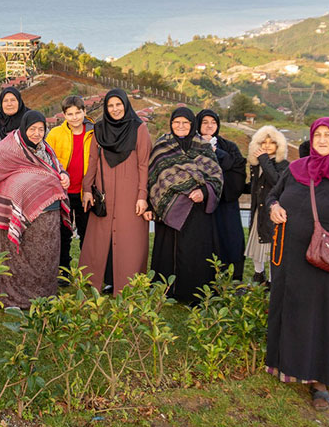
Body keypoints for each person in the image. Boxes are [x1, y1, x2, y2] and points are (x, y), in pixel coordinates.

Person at [265, 118, 329, 411]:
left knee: (321, 318)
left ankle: (320, 382)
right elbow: (273, 196)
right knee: (290, 309)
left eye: (328, 135)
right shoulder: (297, 170)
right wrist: (273, 208)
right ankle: (286, 365)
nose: (322, 140)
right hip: (289, 258)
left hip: (325, 265)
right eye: (317, 135)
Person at [0, 111, 71, 308]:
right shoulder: (8, 148)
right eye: (32, 129)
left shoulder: (45, 149)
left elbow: (56, 167)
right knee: (15, 262)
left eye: (41, 129)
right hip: (13, 216)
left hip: (47, 218)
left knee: (43, 261)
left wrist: (63, 174)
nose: (36, 133)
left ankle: (42, 296)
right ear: (24, 128)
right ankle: (9, 297)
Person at [147, 107, 224, 305]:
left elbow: (216, 177)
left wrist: (204, 192)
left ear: (192, 125)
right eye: (176, 122)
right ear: (171, 124)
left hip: (196, 211)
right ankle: (166, 290)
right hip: (169, 208)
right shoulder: (162, 145)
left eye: (185, 123)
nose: (180, 126)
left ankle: (193, 293)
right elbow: (153, 177)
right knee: (167, 252)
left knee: (195, 252)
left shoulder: (203, 146)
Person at [79, 89, 152, 294]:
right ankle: (97, 280)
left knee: (130, 239)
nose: (115, 109)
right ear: (106, 108)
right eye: (110, 106)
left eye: (118, 104)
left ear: (126, 105)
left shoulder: (140, 129)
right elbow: (92, 161)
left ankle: (128, 284)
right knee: (100, 239)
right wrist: (87, 189)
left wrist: (142, 196)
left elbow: (144, 165)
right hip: (104, 192)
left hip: (130, 194)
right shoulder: (99, 129)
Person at [196, 109, 247, 281]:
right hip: (199, 203)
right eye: (205, 122)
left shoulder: (228, 146)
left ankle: (232, 278)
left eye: (213, 122)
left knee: (230, 238)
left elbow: (238, 169)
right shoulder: (191, 144)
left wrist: (215, 151)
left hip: (225, 202)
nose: (209, 125)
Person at [46, 96, 94, 273]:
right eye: (70, 114)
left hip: (85, 192)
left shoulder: (94, 133)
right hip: (62, 192)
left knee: (86, 234)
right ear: (64, 115)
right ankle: (62, 271)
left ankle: (87, 272)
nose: (74, 117)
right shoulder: (55, 134)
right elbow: (47, 160)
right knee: (62, 234)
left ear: (84, 112)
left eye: (78, 113)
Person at [245, 125, 289, 286]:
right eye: (264, 142)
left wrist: (264, 160)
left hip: (272, 211)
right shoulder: (256, 165)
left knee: (271, 247)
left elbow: (277, 183)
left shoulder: (283, 164)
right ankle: (258, 275)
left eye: (272, 142)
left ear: (279, 146)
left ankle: (271, 281)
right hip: (258, 211)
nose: (267, 145)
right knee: (256, 244)